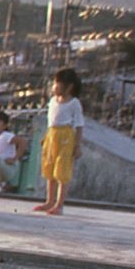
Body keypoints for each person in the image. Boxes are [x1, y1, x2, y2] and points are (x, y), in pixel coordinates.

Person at [35, 67, 83, 215]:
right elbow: (51, 122)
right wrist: (46, 136)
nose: (54, 87)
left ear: (69, 87)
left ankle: (59, 204)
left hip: (66, 137)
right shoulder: (52, 101)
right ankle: (49, 201)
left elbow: (79, 125)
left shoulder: (74, 103)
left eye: (58, 84)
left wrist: (77, 145)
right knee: (49, 168)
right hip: (52, 135)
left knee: (62, 171)